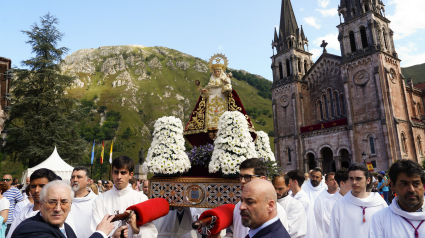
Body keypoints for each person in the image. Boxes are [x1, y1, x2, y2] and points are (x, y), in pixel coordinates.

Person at [10, 180, 127, 238]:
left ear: (71, 206)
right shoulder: (30, 229)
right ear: (40, 205)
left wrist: (111, 237)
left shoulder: (66, 228)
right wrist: (100, 233)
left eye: (64, 202)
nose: (58, 208)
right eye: (52, 202)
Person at [91, 156, 158, 238]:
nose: (119, 176)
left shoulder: (141, 199)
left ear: (130, 175)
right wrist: (112, 237)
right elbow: (96, 231)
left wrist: (136, 229)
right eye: (116, 172)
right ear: (112, 174)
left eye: (123, 173)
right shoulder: (100, 200)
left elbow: (151, 233)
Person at [228, 158, 288, 238]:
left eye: (247, 177)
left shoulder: (277, 210)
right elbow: (233, 233)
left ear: (262, 179)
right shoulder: (239, 206)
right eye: (240, 177)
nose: (242, 181)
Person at [6, 168, 73, 238]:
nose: (36, 190)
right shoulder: (24, 211)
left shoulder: (63, 216)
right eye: (33, 186)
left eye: (42, 186)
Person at [369, 159, 425, 237]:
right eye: (404, 184)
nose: (411, 189)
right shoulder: (379, 219)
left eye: (416, 183)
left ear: (423, 186)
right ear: (392, 186)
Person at [329, 163, 387, 238]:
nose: (354, 182)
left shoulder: (379, 203)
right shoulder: (339, 205)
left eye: (358, 178)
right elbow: (333, 234)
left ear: (368, 180)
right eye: (351, 178)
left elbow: (387, 231)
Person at [272, 173, 307, 238]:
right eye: (274, 188)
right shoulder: (268, 202)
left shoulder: (296, 205)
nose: (276, 191)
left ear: (288, 187)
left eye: (280, 189)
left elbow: (291, 230)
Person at [287, 169, 318, 238]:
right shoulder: (291, 196)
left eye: (288, 181)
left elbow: (299, 224)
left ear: (295, 182)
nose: (287, 183)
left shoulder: (303, 200)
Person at [69, 166, 98, 238]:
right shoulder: (65, 200)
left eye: (79, 177)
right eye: (73, 177)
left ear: (88, 181)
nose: (75, 180)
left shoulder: (97, 201)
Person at [323, 168, 350, 236]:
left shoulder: (356, 199)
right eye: (350, 181)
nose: (354, 183)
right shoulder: (331, 203)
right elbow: (329, 227)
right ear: (342, 183)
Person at [314, 172, 338, 238]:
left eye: (336, 179)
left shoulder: (343, 196)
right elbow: (318, 217)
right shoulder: (320, 199)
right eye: (332, 180)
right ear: (326, 182)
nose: (335, 182)